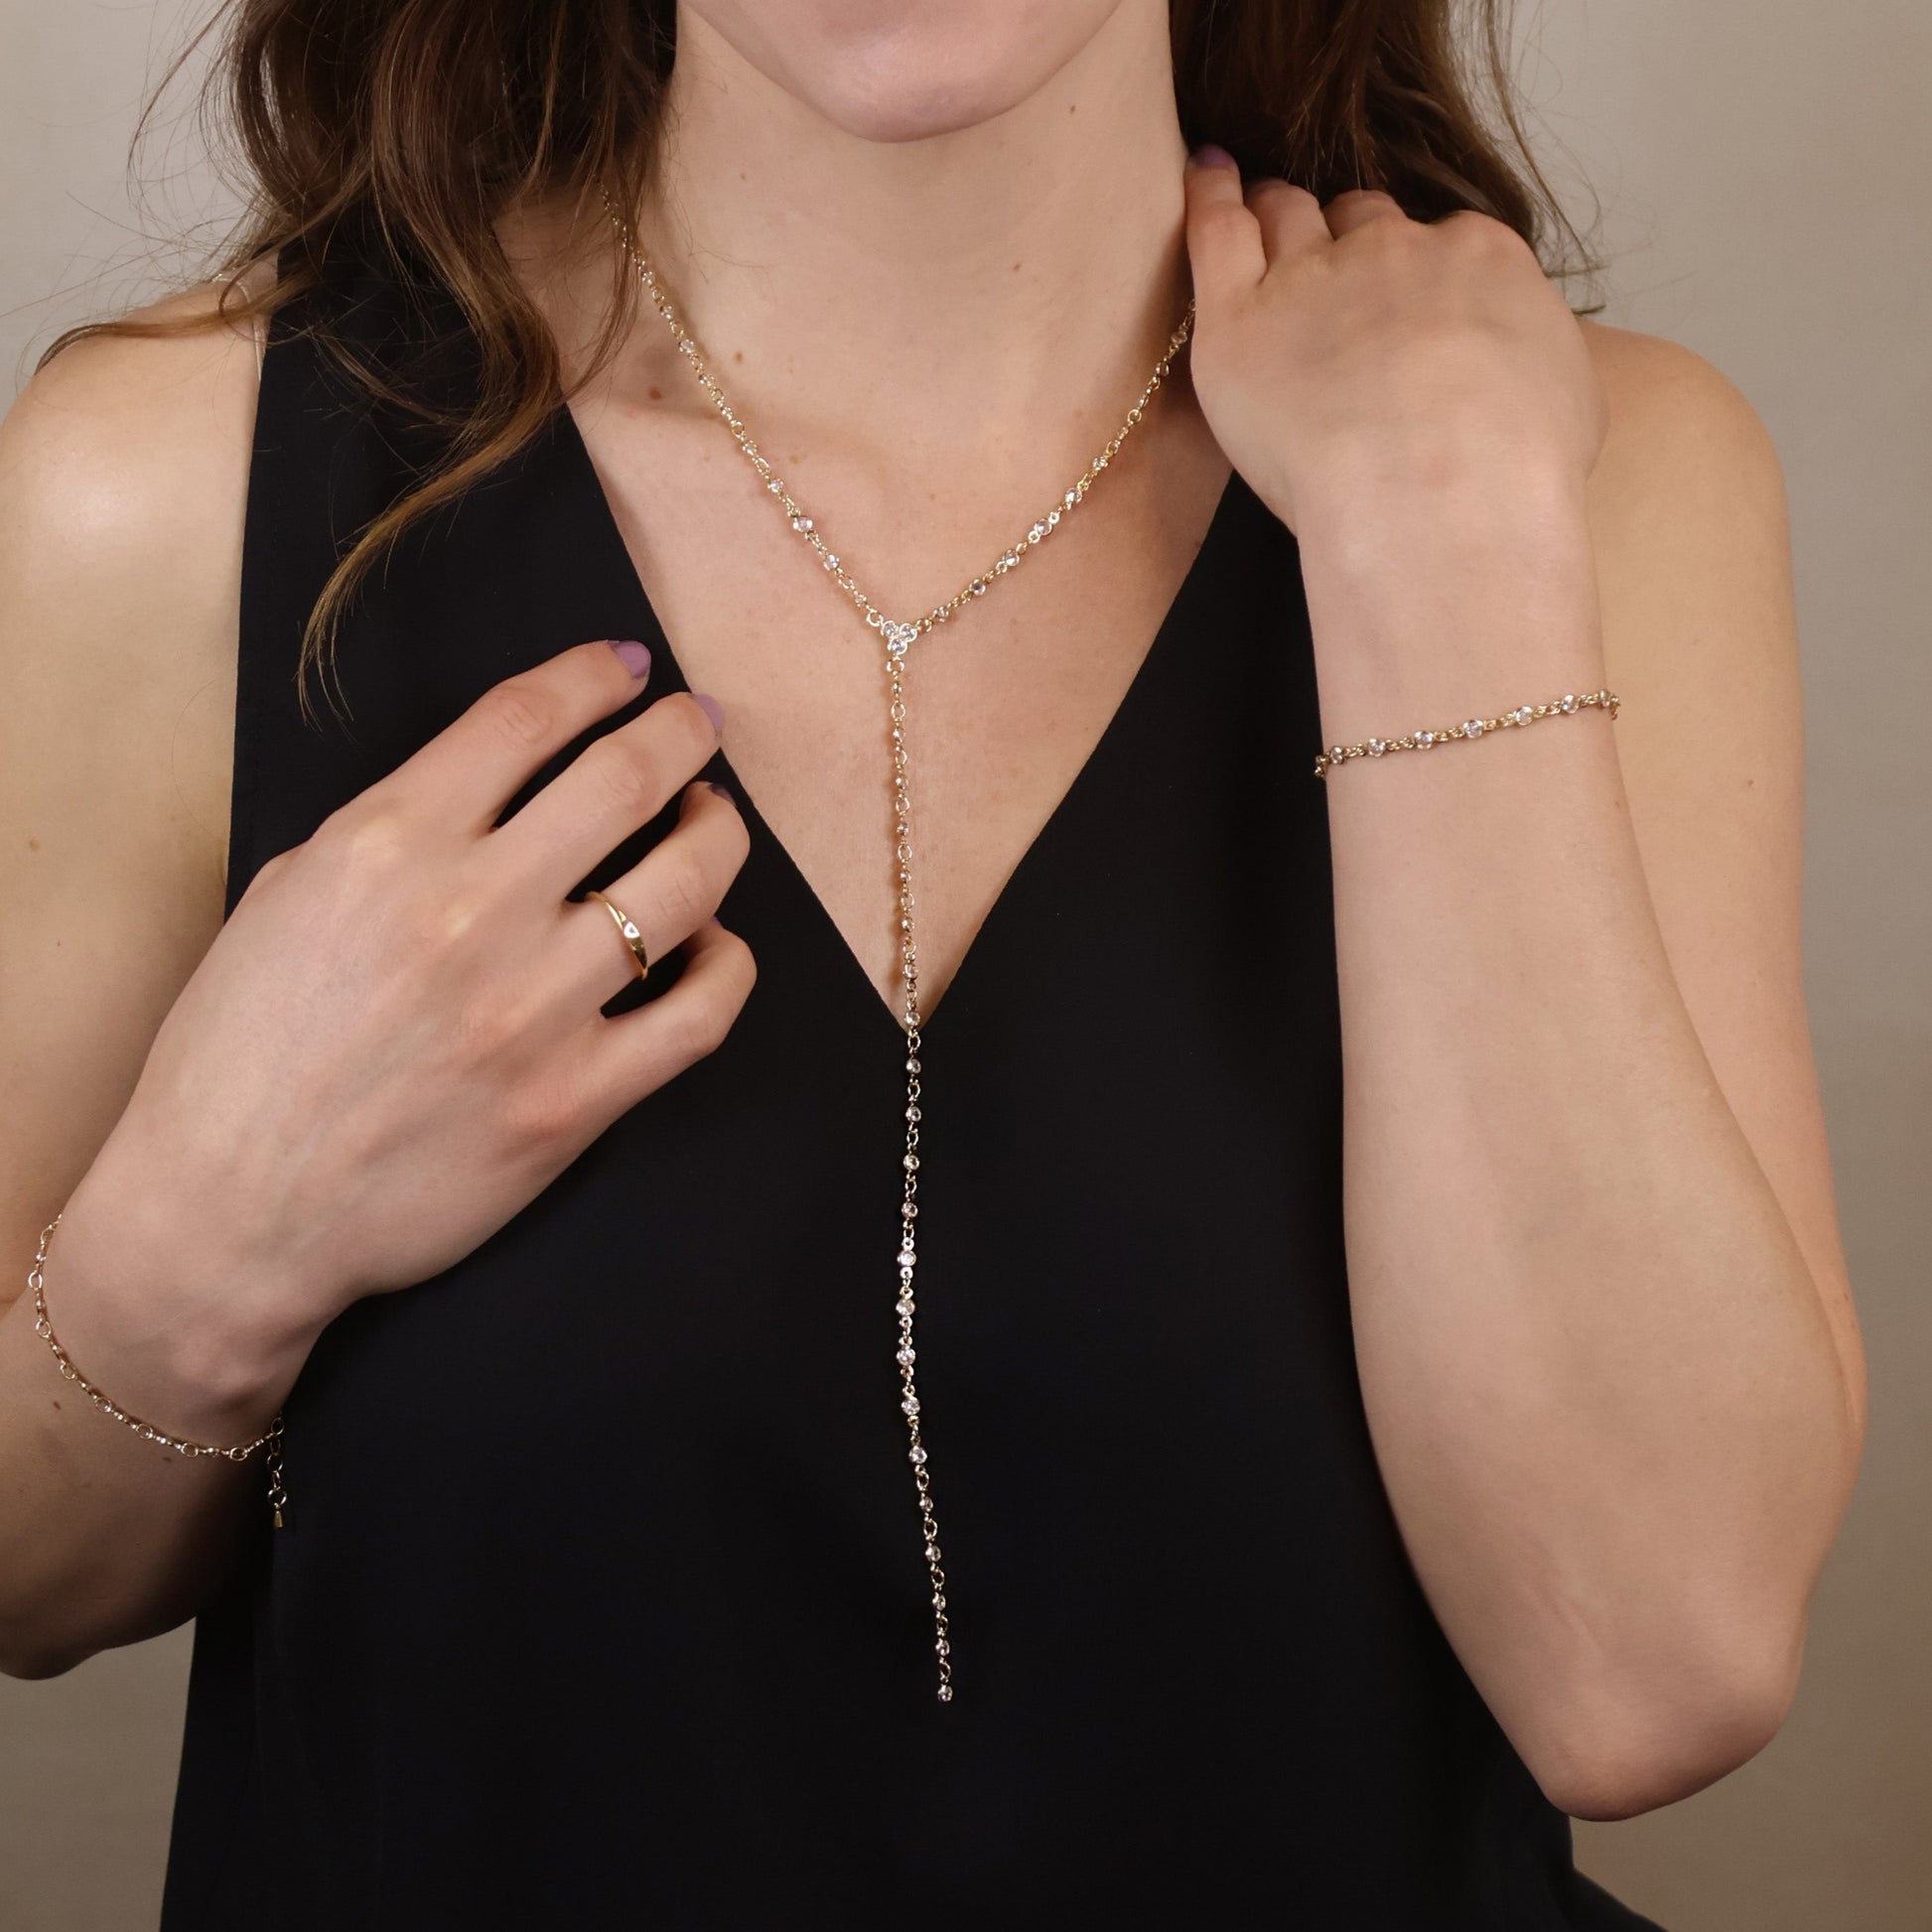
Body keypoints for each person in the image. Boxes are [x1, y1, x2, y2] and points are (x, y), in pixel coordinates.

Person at [0, 0, 1863, 1924]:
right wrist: (201, 1250)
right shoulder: (171, 490)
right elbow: (25, 1579)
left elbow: (1652, 1667)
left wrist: (1439, 545)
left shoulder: (1585, 472)